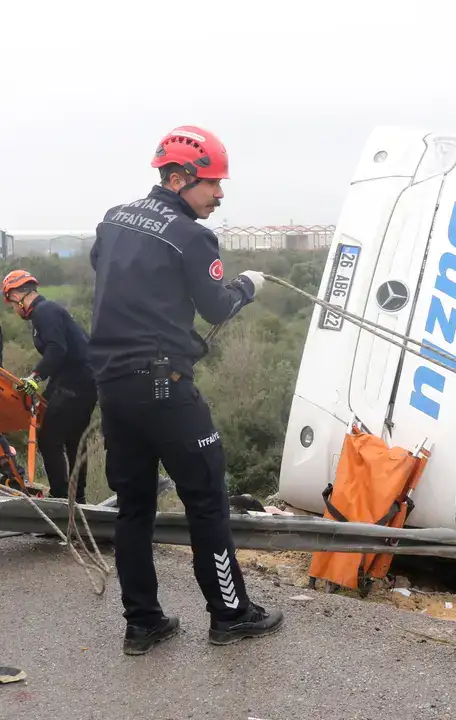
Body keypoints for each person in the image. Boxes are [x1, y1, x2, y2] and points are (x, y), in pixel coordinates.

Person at [88, 124, 283, 656]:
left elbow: (108, 276)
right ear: (179, 178)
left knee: (133, 507)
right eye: (213, 183)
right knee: (207, 501)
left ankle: (143, 623)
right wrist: (246, 285)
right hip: (163, 387)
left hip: (113, 387)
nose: (220, 195)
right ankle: (230, 613)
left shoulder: (113, 220)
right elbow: (217, 307)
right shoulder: (192, 236)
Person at [2, 270, 97, 504]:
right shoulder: (47, 312)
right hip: (76, 379)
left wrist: (35, 376)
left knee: (49, 438)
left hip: (76, 381)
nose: (14, 309)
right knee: (74, 440)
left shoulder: (45, 312)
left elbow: (57, 348)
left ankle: (61, 496)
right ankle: (78, 498)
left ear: (16, 295)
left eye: (12, 303)